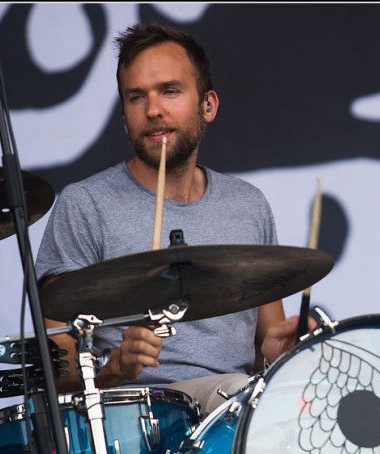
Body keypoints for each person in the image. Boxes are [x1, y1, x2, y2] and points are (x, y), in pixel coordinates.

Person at [36, 22, 312, 418]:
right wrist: (114, 366)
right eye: (136, 97)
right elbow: (51, 362)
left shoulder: (248, 205)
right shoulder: (86, 205)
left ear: (208, 105)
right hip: (130, 417)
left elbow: (266, 345)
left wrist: (275, 354)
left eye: (170, 91)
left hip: (227, 416)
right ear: (124, 116)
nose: (152, 110)